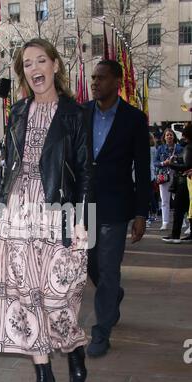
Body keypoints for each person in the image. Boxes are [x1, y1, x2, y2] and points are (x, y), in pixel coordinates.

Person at [0, 38, 93, 382]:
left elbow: (84, 171)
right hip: (18, 210)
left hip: (56, 211)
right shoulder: (16, 112)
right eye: (27, 64)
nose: (34, 69)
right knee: (25, 295)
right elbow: (9, 165)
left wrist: (82, 220)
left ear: (56, 65)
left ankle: (74, 346)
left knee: (59, 295)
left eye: (40, 60)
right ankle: (43, 376)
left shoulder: (75, 115)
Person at [85, 60, 150, 357]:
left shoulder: (134, 119)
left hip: (116, 205)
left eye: (101, 78)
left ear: (117, 82)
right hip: (84, 205)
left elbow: (142, 167)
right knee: (90, 264)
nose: (95, 83)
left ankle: (101, 331)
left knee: (109, 269)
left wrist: (141, 213)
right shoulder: (80, 114)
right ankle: (114, 296)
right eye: (93, 78)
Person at [162, 124, 192, 243]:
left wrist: (171, 164)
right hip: (187, 182)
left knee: (179, 209)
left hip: (184, 182)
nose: (182, 137)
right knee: (188, 210)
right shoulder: (187, 147)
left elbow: (186, 166)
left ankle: (175, 235)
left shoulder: (188, 148)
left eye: (184, 135)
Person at [154, 129, 182, 231]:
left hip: (177, 175)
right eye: (167, 135)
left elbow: (184, 160)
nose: (169, 137)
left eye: (171, 135)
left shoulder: (179, 148)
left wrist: (176, 161)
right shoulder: (160, 148)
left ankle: (183, 222)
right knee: (164, 200)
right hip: (164, 177)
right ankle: (165, 222)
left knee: (180, 200)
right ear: (164, 137)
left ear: (174, 136)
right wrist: (163, 163)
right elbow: (155, 162)